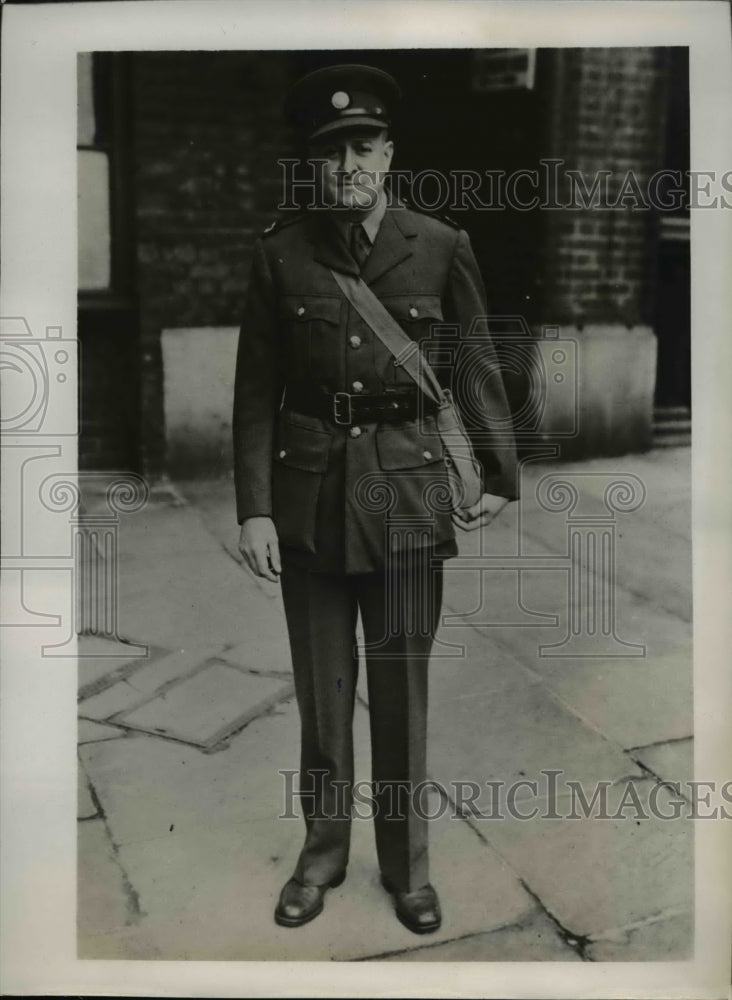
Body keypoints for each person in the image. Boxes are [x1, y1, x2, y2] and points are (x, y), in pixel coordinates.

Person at [233, 63, 518, 934]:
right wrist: (253, 507)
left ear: (389, 153)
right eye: (331, 151)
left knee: (400, 692)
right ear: (313, 166)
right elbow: (254, 390)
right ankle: (321, 856)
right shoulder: (280, 254)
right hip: (310, 497)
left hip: (406, 497)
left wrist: (501, 473)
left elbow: (473, 360)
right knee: (324, 695)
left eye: (363, 145)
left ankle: (407, 869)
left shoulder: (438, 245)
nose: (348, 163)